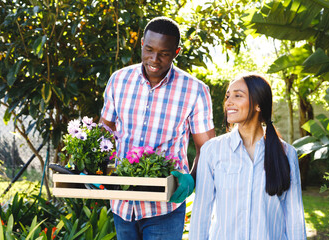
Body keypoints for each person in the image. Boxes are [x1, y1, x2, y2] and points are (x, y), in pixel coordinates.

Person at [100, 16, 215, 240]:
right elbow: (105, 131)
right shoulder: (118, 80)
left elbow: (207, 148)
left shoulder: (195, 90)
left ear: (176, 52)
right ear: (142, 43)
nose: (154, 59)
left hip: (164, 207)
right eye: (149, 49)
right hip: (122, 205)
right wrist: (98, 166)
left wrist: (190, 179)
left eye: (164, 53)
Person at [189, 74, 307, 239]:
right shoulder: (212, 151)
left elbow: (295, 218)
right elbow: (201, 215)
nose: (229, 102)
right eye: (228, 96)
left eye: (238, 95)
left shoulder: (286, 153)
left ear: (258, 104)